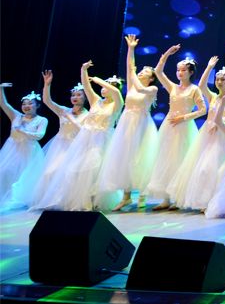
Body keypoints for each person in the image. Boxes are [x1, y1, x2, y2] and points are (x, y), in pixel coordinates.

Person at [34, 61, 123, 211]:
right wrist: (83, 70)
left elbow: (116, 93)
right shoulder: (96, 101)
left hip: (102, 140)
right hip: (86, 139)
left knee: (95, 168)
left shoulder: (117, 104)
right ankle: (81, 199)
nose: (103, 89)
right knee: (75, 169)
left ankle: (93, 199)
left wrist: (99, 80)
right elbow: (86, 86)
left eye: (106, 87)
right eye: (102, 87)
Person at [168, 56, 225, 210]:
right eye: (217, 79)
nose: (219, 82)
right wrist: (209, 67)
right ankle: (203, 200)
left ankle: (214, 201)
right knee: (202, 168)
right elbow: (201, 85)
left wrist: (220, 120)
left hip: (223, 135)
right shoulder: (213, 96)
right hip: (208, 135)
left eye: (223, 80)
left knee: (214, 168)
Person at [99, 34, 159, 211]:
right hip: (127, 123)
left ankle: (142, 195)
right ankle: (126, 197)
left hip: (141, 125)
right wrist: (131, 49)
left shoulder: (152, 88)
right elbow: (129, 66)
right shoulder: (132, 85)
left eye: (145, 72)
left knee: (141, 158)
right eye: (141, 71)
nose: (141, 73)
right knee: (125, 157)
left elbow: (139, 86)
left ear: (151, 78)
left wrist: (133, 74)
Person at [145, 44, 206, 210]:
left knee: (180, 159)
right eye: (178, 70)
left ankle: (178, 197)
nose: (180, 73)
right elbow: (158, 72)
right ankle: (165, 198)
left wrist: (184, 117)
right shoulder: (172, 86)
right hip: (169, 126)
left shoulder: (194, 90)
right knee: (165, 158)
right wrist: (167, 54)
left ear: (191, 72)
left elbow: (203, 110)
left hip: (184, 127)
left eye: (183, 70)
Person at [31, 71, 89, 206]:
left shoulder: (88, 115)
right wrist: (47, 85)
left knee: (69, 174)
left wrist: (72, 119)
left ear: (86, 97)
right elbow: (47, 101)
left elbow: (84, 132)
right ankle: (50, 200)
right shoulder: (64, 110)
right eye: (73, 95)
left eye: (79, 95)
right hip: (60, 146)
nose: (75, 97)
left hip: (76, 147)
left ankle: (67, 201)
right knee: (50, 172)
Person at [0, 83, 48, 207]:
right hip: (12, 148)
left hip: (29, 150)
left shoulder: (42, 120)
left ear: (37, 105)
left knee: (25, 176)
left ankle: (22, 199)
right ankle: (6, 197)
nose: (26, 106)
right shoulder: (16, 116)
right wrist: (1, 88)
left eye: (30, 103)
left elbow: (39, 135)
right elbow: (3, 104)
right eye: (24, 104)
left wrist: (22, 131)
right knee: (5, 171)